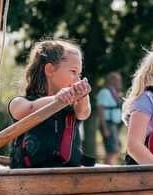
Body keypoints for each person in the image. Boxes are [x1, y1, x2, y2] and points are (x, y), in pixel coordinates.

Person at [8, 39, 93, 168]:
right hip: (27, 178)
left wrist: (83, 95)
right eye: (73, 72)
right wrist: (56, 99)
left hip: (70, 177)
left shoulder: (74, 107)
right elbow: (29, 109)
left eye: (79, 74)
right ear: (50, 70)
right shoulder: (20, 102)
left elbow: (83, 113)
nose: (77, 80)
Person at [96, 72, 124, 164]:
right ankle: (108, 172)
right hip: (108, 124)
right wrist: (105, 128)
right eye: (118, 80)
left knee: (117, 148)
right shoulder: (104, 92)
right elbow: (100, 110)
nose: (120, 82)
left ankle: (112, 168)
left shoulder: (114, 92)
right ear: (112, 81)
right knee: (112, 150)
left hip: (114, 125)